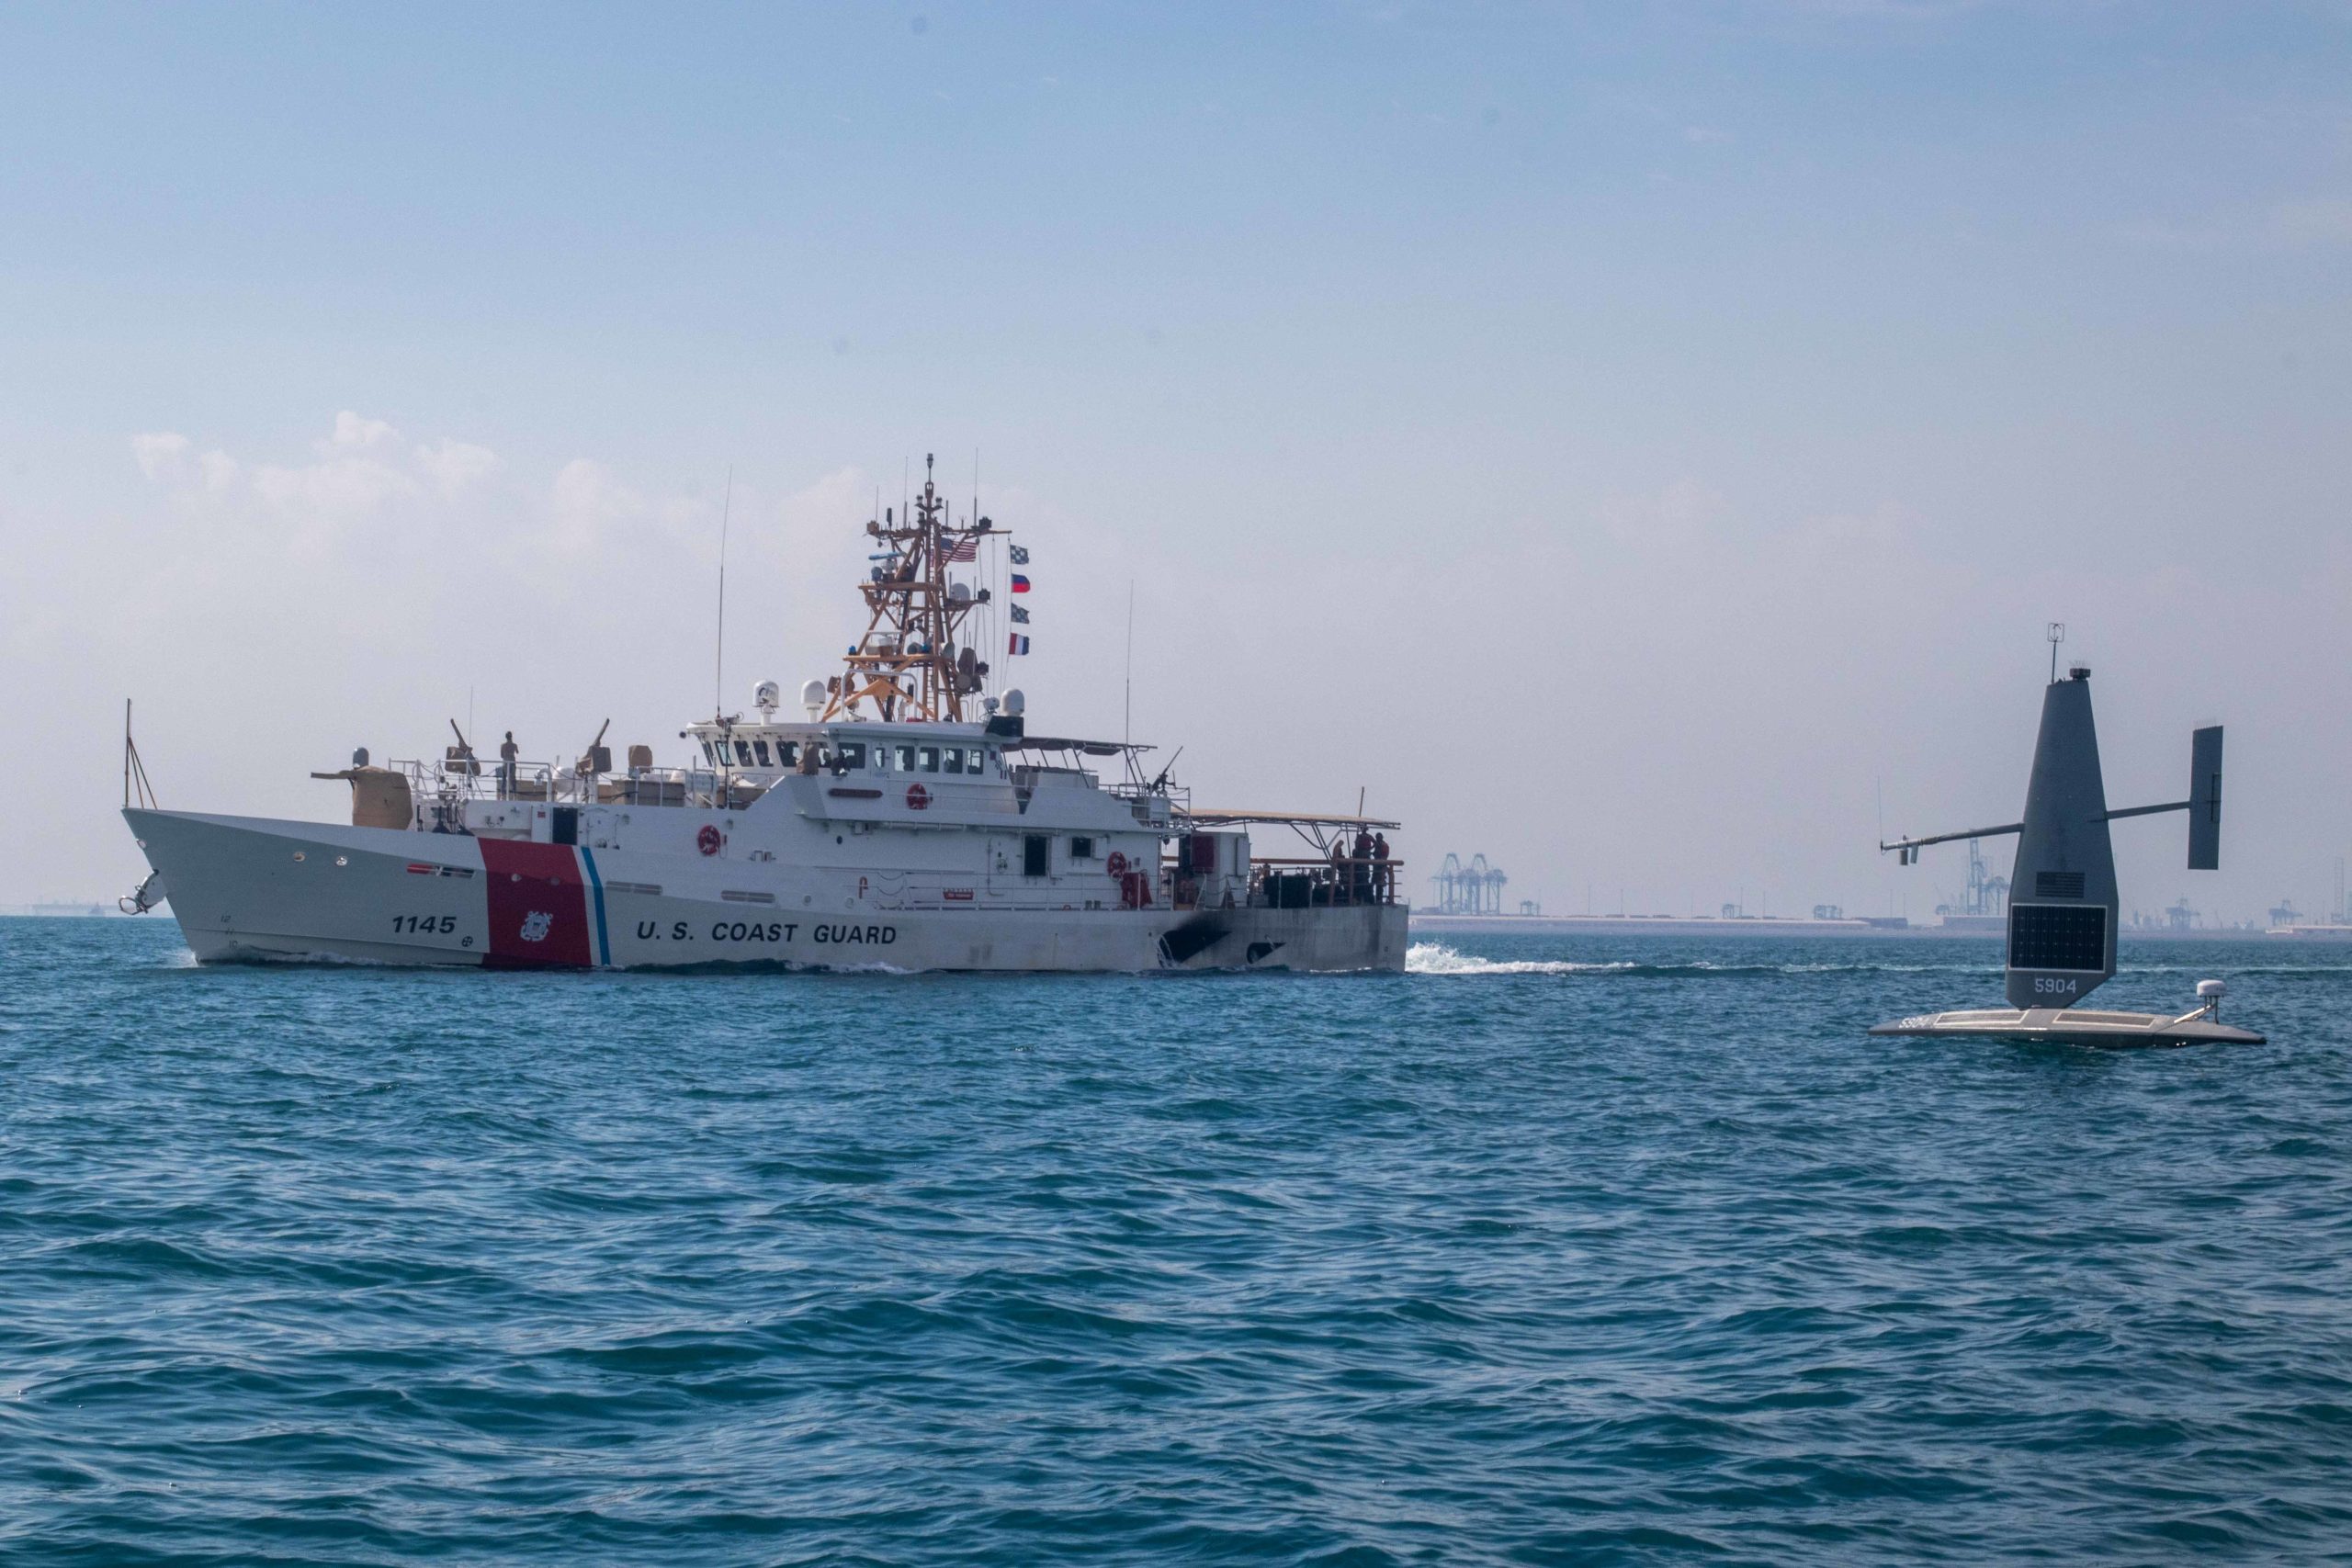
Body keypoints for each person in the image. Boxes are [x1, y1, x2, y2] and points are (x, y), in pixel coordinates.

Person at [499, 731, 519, 796]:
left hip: (505, 763)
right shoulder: (514, 745)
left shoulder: (503, 746)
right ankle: (514, 792)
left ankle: (503, 792)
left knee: (504, 778)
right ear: (511, 737)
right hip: (512, 762)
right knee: (513, 778)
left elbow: (501, 755)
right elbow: (517, 752)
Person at [1373, 832, 1392, 902]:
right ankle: (1379, 899)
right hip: (1383, 865)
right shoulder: (1385, 845)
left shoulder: (1379, 845)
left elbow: (1376, 853)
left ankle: (1377, 899)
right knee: (1380, 882)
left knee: (1376, 882)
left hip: (1378, 866)